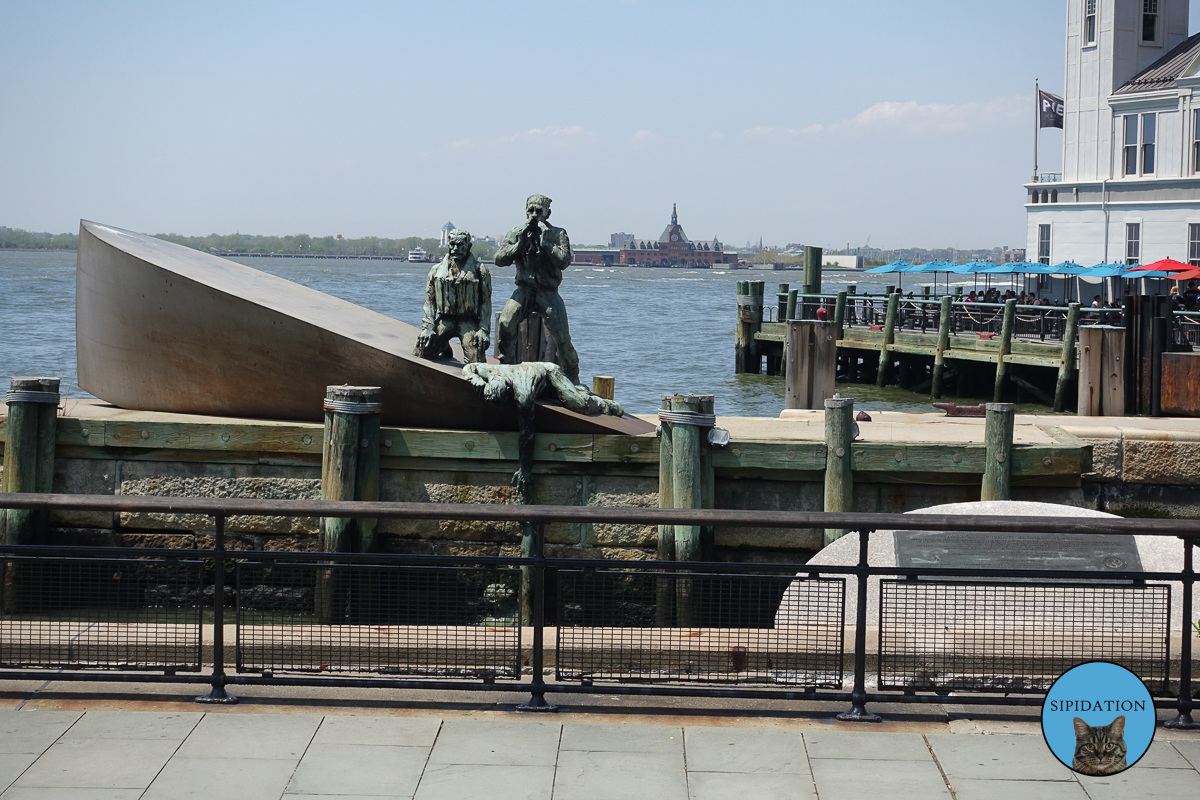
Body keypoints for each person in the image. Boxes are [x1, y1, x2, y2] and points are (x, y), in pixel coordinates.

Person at [494, 194, 581, 384]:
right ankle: (507, 368)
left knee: (562, 337)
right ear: (526, 211)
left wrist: (548, 243)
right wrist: (520, 245)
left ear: (547, 214)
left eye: (539, 211)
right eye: (530, 210)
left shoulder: (558, 234)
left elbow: (565, 261)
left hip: (548, 292)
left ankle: (572, 376)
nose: (534, 215)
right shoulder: (515, 232)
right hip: (524, 290)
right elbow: (499, 260)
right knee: (506, 324)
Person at [414, 229, 491, 363]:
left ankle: (445, 342)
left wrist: (483, 330)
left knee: (476, 360)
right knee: (422, 350)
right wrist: (428, 328)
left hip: (469, 321)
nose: (456, 248)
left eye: (460, 245)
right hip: (445, 320)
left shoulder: (480, 270)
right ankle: (443, 344)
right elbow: (429, 302)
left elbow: (486, 301)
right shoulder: (436, 270)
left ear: (468, 246)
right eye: (452, 244)